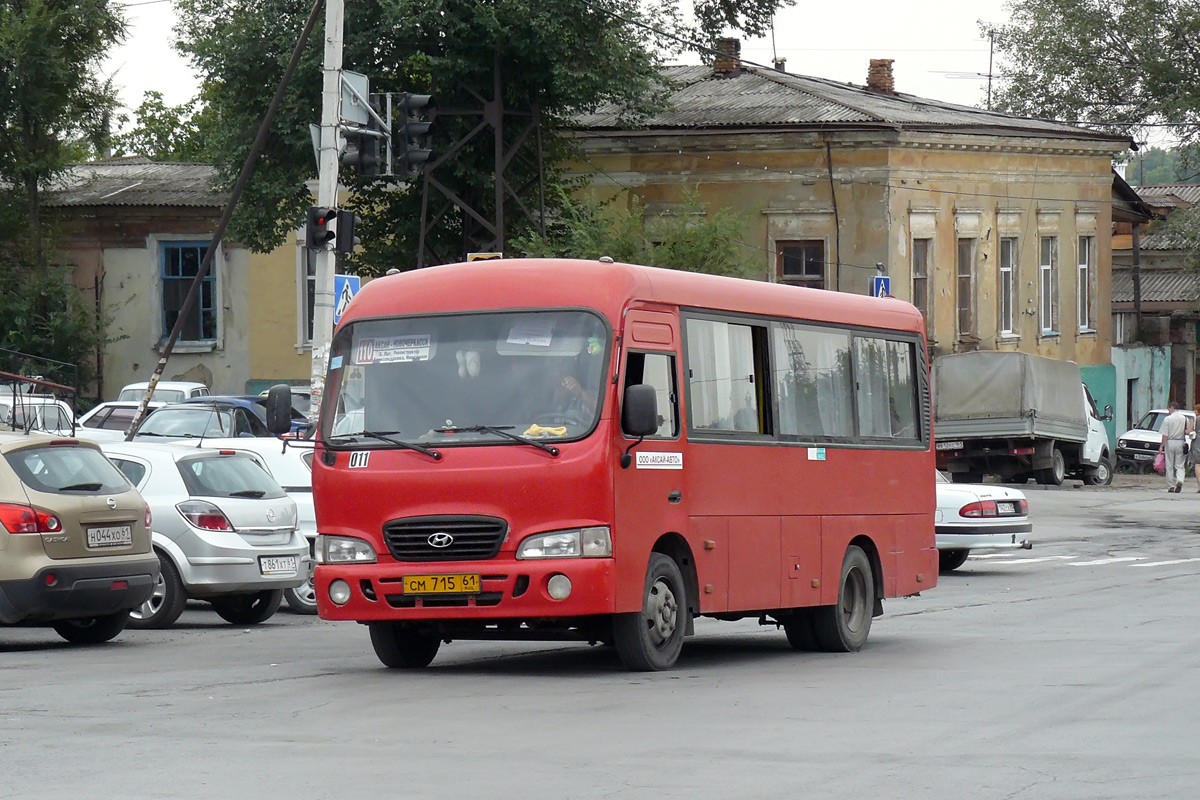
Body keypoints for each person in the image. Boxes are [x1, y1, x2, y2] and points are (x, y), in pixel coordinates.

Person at [1158, 400, 1189, 493]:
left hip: (1170, 442)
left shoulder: (1168, 419)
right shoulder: (1184, 419)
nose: (1169, 411)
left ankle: (1171, 485)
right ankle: (1179, 480)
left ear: (1172, 408)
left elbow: (1165, 435)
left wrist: (1161, 446)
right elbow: (1187, 431)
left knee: (1169, 464)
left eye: (1169, 409)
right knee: (1180, 464)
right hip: (1180, 441)